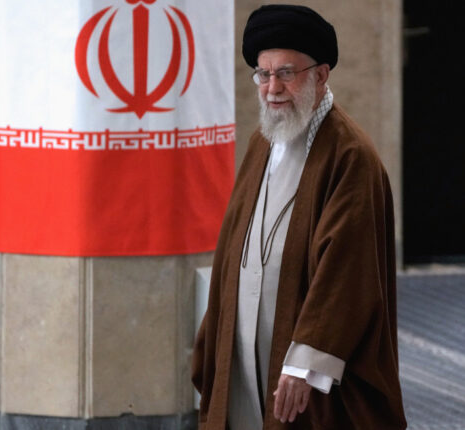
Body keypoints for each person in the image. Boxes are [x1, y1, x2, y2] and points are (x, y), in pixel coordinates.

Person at [192, 4, 406, 429]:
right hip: (245, 351)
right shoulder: (263, 141)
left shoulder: (350, 156)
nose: (273, 88)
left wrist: (304, 363)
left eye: (286, 73)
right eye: (263, 74)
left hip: (303, 373)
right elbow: (233, 245)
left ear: (321, 75)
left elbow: (348, 272)